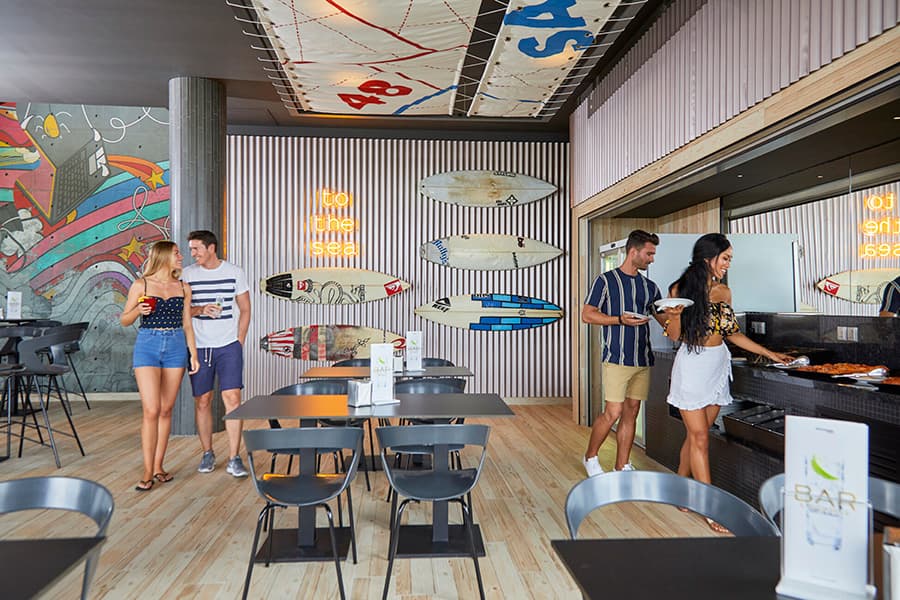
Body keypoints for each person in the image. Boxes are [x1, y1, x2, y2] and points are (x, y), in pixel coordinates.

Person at [664, 233, 792, 532]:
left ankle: (680, 488)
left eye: (730, 259)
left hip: (717, 366)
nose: (728, 264)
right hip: (692, 366)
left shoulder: (724, 291)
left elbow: (732, 333)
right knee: (699, 438)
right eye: (725, 258)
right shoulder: (679, 289)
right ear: (708, 257)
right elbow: (673, 336)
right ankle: (712, 508)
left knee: (697, 435)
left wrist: (770, 353)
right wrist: (675, 316)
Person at [581, 230, 674, 477]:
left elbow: (663, 320)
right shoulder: (605, 280)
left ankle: (622, 465)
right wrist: (619, 319)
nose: (652, 259)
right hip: (616, 358)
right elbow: (587, 315)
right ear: (633, 252)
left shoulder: (650, 287)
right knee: (613, 412)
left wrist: (675, 314)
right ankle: (590, 457)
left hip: (642, 359)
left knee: (632, 411)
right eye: (649, 254)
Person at [121, 241, 199, 492]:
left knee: (166, 410)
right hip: (148, 344)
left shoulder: (183, 287)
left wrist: (194, 354)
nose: (181, 256)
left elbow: (187, 324)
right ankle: (147, 471)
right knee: (151, 409)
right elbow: (124, 320)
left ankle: (158, 466)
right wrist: (137, 310)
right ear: (163, 256)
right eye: (176, 253)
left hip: (176, 344)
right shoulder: (141, 285)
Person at [182, 230, 252, 477]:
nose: (193, 253)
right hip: (199, 346)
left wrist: (239, 341)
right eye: (191, 249)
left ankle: (234, 457)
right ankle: (207, 452)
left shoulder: (235, 272)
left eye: (196, 248)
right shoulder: (187, 274)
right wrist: (200, 309)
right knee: (203, 400)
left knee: (233, 399)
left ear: (211, 248)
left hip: (228, 345)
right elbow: (182, 311)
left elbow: (245, 309)